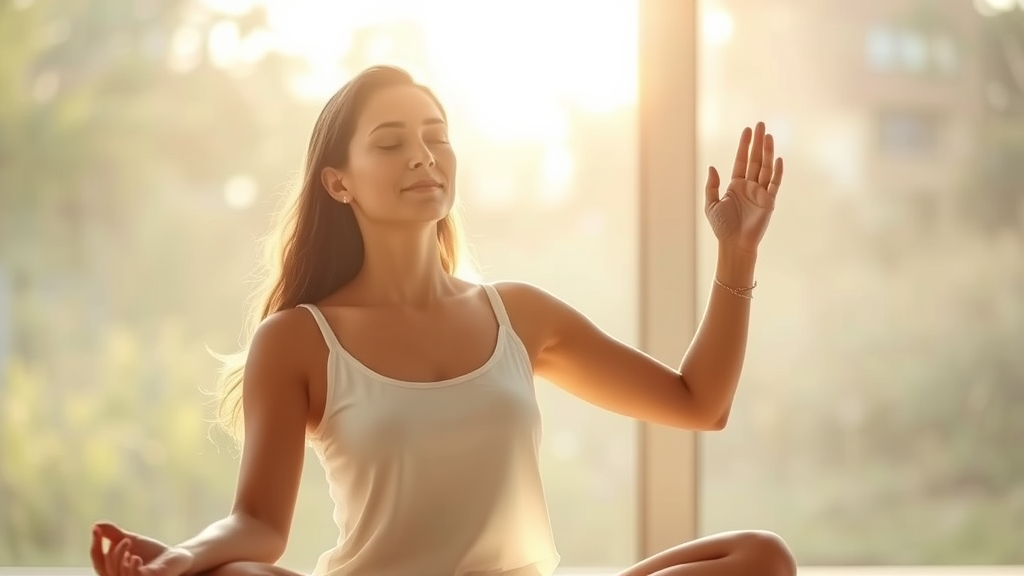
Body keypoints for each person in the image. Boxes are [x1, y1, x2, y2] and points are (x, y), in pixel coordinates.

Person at [89, 65, 794, 576]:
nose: (423, 155)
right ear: (339, 182)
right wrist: (186, 559)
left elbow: (699, 403)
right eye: (391, 143)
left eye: (436, 136)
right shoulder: (299, 340)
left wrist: (737, 254)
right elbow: (258, 527)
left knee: (760, 559)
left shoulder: (518, 314)